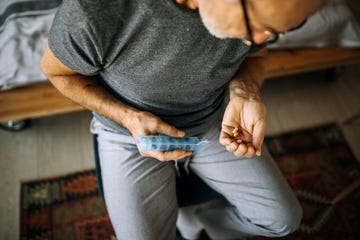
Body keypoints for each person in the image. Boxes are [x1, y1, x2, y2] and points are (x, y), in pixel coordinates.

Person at [41, 0, 325, 239]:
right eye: (259, 26)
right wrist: (128, 118)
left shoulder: (262, 21)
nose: (260, 40)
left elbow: (256, 56)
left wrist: (245, 91)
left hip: (212, 121)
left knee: (283, 219)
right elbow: (58, 73)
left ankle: (197, 220)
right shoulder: (96, 10)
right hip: (127, 134)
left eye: (277, 32)